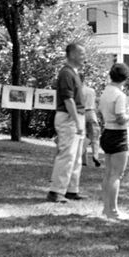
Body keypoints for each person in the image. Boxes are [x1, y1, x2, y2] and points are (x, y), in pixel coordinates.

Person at [98, 62, 129, 220]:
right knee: (117, 175)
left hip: (107, 132)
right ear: (125, 78)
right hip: (118, 135)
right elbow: (121, 119)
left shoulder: (105, 92)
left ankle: (106, 208)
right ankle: (114, 211)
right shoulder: (120, 95)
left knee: (108, 173)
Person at [47, 43, 87, 203]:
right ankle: (55, 191)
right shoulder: (66, 73)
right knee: (67, 155)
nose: (84, 57)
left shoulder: (74, 73)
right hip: (69, 117)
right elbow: (68, 99)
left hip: (77, 117)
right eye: (81, 53)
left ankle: (71, 190)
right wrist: (77, 122)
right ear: (71, 55)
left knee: (77, 157)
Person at [81, 83, 101, 168]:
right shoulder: (91, 90)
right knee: (95, 136)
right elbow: (94, 104)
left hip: (81, 113)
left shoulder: (77, 91)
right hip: (91, 113)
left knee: (83, 137)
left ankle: (84, 160)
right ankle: (95, 155)